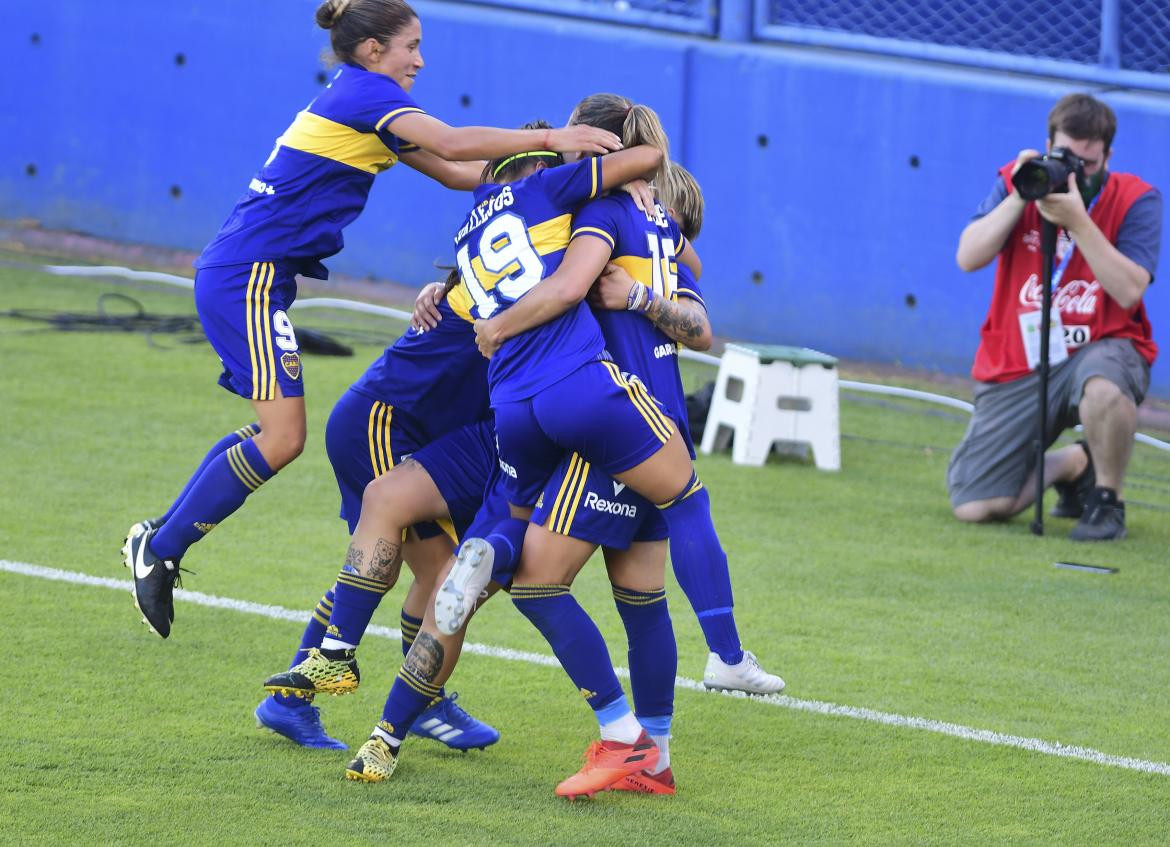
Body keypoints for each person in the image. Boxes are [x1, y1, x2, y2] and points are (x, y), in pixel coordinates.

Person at [121, 0, 622, 639]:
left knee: (275, 434)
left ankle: (162, 542)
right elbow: (448, 141)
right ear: (372, 51)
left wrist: (552, 186)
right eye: (411, 45)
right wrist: (554, 140)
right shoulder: (366, 94)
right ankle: (161, 548)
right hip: (243, 275)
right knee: (282, 438)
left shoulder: (368, 105)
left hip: (257, 278)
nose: (420, 58)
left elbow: (456, 172)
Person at [254, 270, 502, 752]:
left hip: (391, 425)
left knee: (430, 574)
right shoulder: (513, 280)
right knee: (441, 577)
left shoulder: (494, 271)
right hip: (382, 426)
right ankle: (419, 702)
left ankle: (294, 700)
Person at [949, 93, 1162, 541]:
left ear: (1107, 155)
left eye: (1089, 161)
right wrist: (1020, 194)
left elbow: (1129, 290)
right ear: (1047, 144)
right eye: (1067, 156)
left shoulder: (1136, 199)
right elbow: (968, 257)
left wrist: (1080, 222)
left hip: (1103, 345)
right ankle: (1074, 463)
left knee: (1103, 388)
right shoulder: (1018, 182)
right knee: (976, 504)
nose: (1077, 170)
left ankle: (1107, 500)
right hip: (1020, 360)